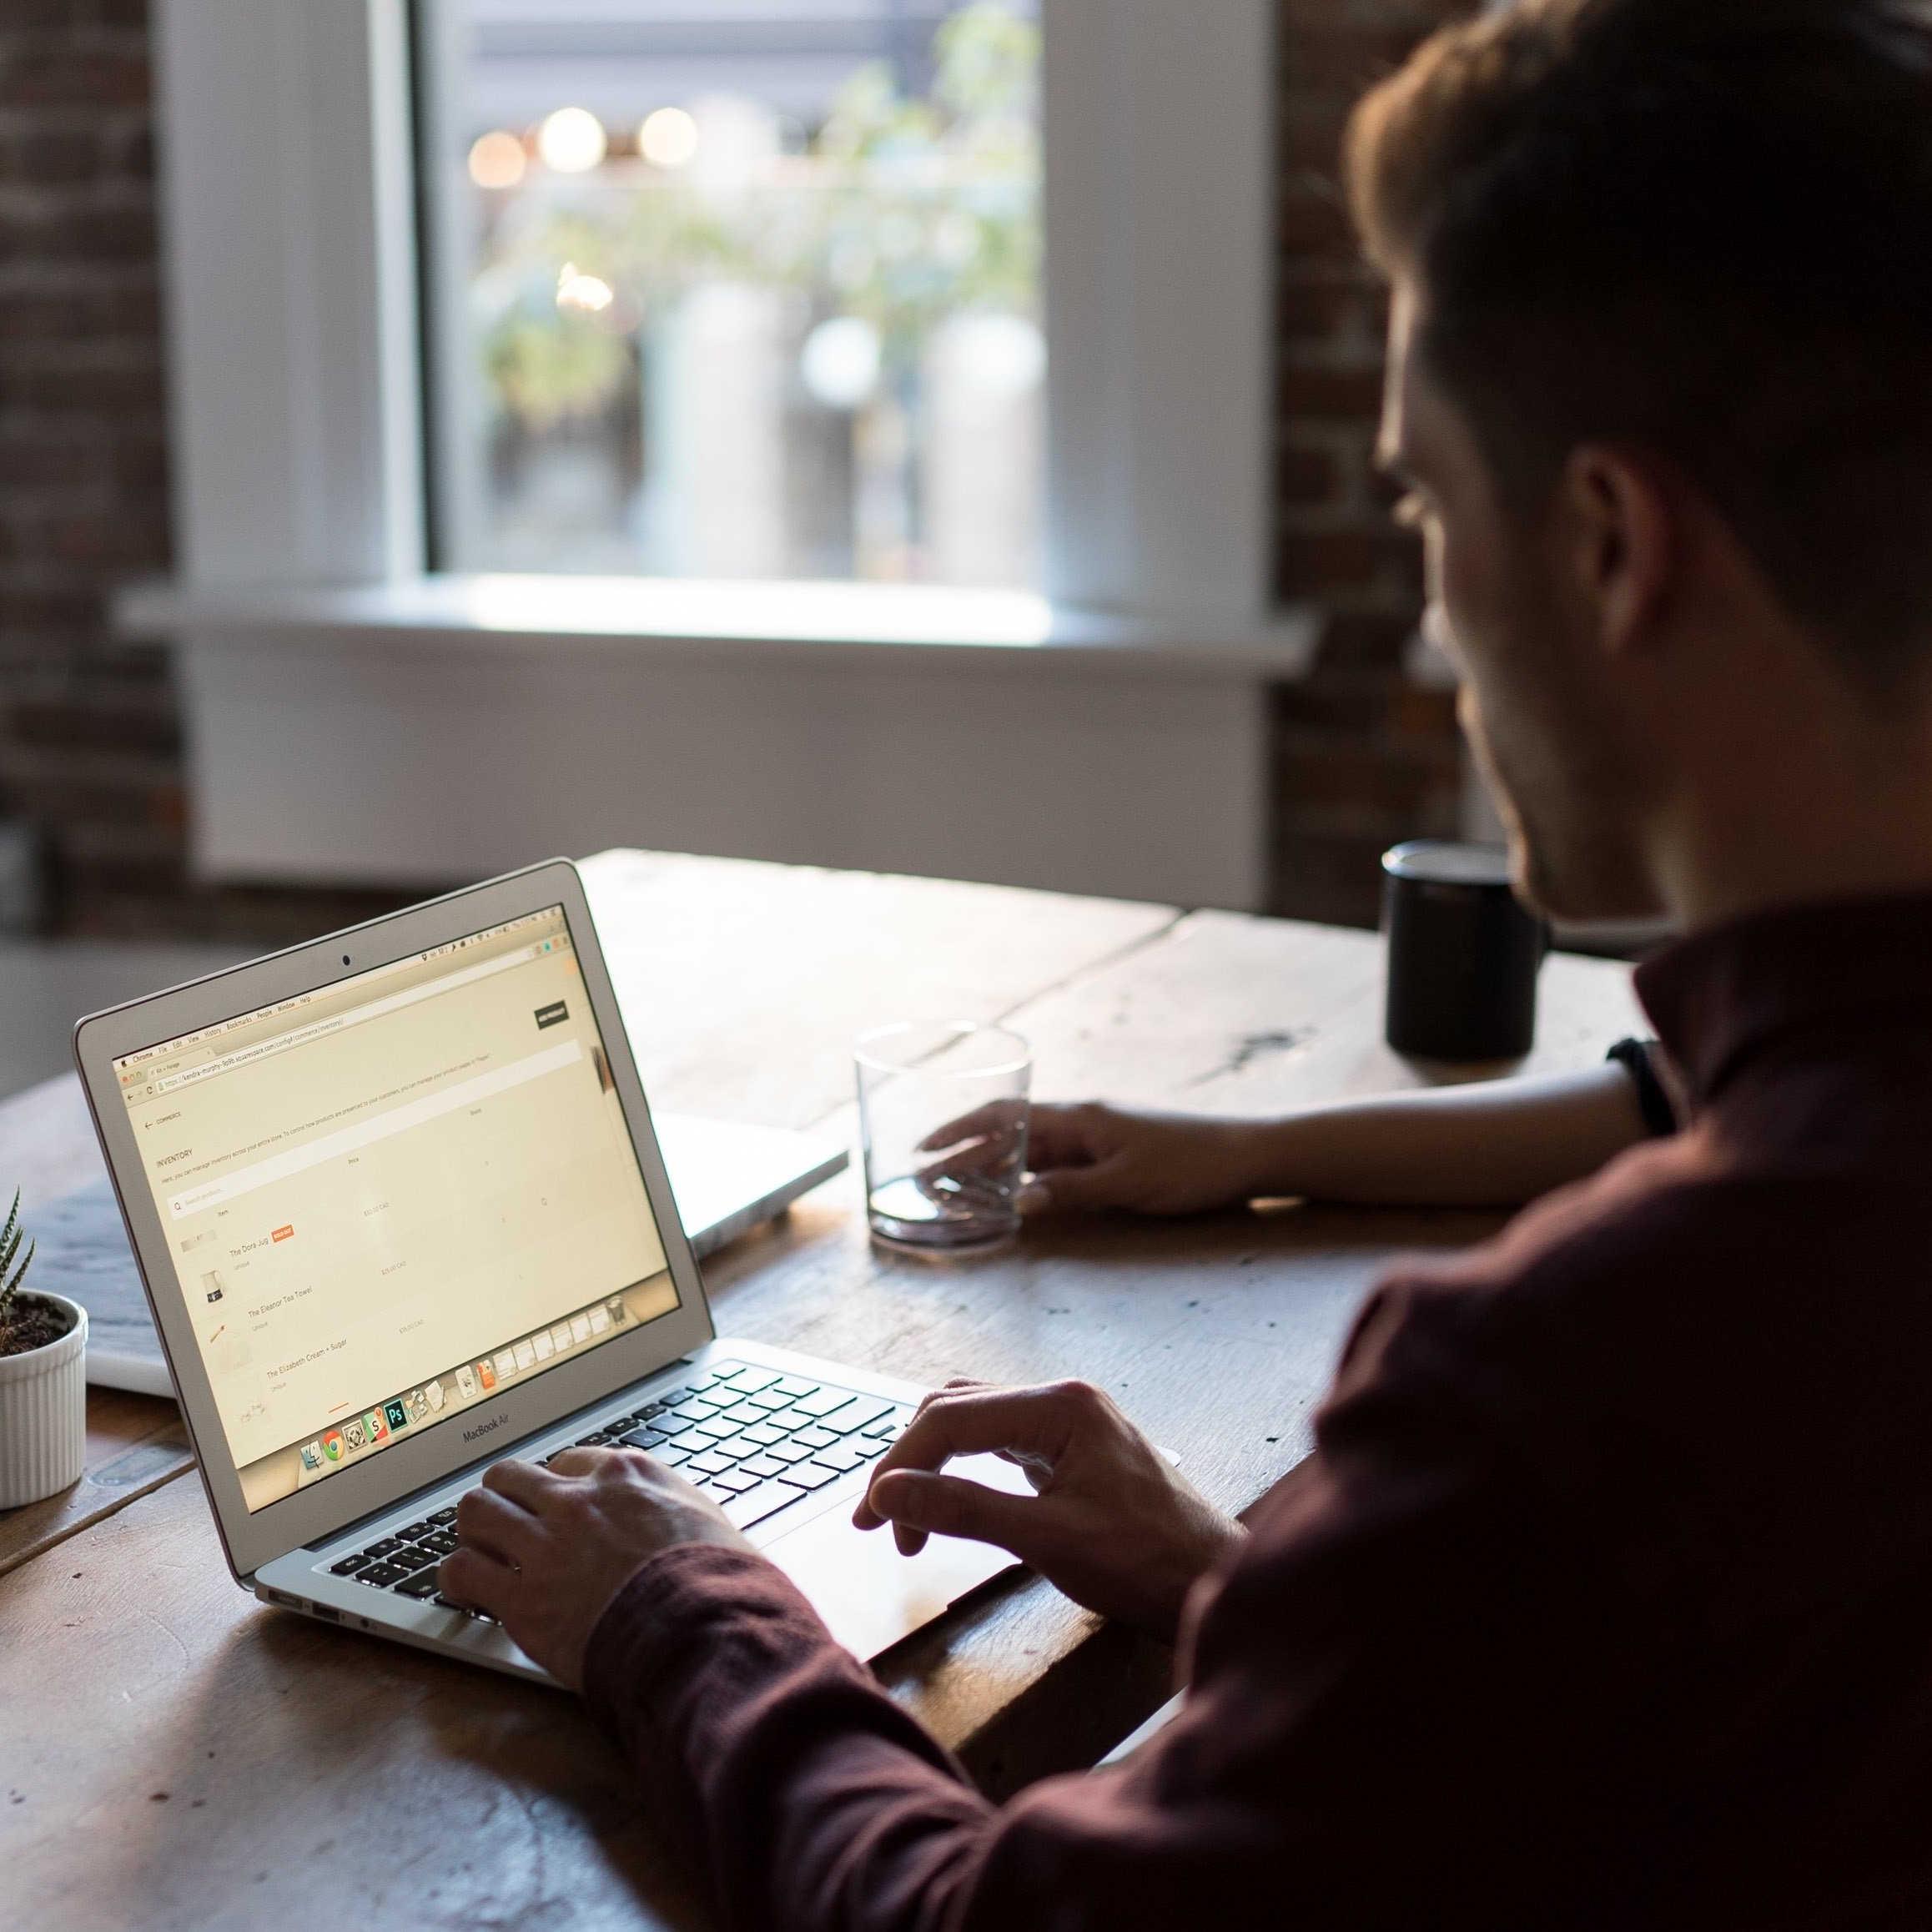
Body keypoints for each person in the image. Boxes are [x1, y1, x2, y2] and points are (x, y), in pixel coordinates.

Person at [440, 2, 1932, 1924]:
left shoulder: (1582, 1382)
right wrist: (1275, 1600)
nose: (1430, 635)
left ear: (1610, 544)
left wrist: (681, 1611)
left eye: (1423, 506)